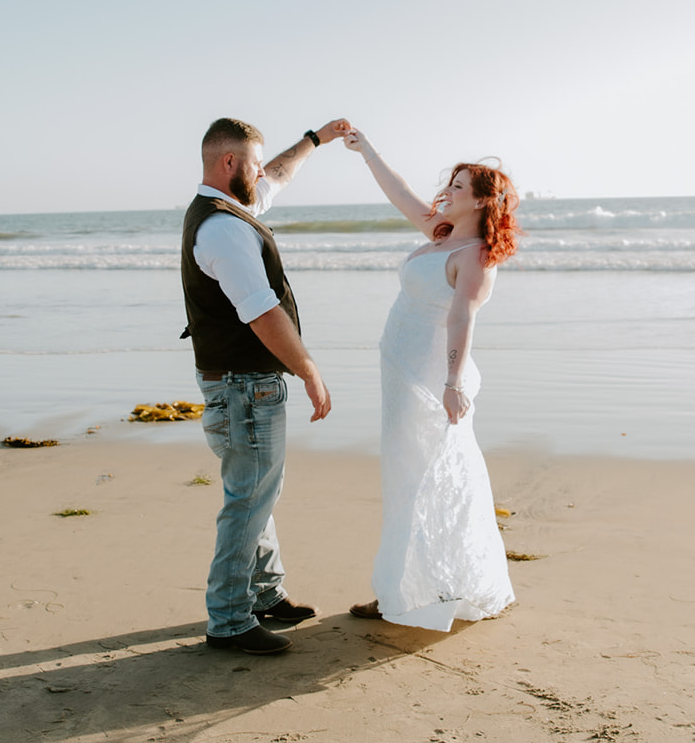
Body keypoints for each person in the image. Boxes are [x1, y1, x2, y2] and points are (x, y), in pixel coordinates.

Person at [341, 127, 521, 630]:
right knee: (404, 477)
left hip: (430, 378)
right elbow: (399, 193)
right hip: (399, 373)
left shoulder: (475, 257)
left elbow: (463, 318)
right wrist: (366, 151)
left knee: (423, 478)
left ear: (485, 202)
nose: (450, 191)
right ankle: (404, 585)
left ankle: (420, 589)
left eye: (461, 186)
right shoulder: (441, 234)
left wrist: (453, 382)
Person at [182, 116, 347, 655]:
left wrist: (315, 141)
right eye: (251, 163)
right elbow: (262, 312)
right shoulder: (224, 228)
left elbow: (277, 173)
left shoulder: (230, 207)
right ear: (228, 163)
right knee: (248, 500)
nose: (261, 171)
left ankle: (265, 595)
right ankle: (228, 620)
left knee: (257, 493)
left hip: (238, 385)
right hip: (244, 387)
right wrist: (309, 369)